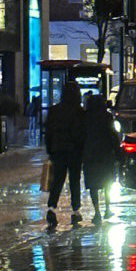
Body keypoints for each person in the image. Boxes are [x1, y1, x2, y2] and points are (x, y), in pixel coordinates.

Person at [45, 80, 85, 227]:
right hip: (74, 151)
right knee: (74, 181)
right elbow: (82, 133)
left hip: (58, 150)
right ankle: (75, 211)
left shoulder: (54, 111)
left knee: (57, 180)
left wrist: (50, 150)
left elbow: (48, 133)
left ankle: (51, 208)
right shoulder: (80, 112)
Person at [81, 94, 120, 224]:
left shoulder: (85, 117)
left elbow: (81, 137)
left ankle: (96, 211)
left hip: (90, 155)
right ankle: (107, 208)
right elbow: (112, 135)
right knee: (107, 183)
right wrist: (118, 152)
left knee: (93, 185)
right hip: (106, 154)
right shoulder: (106, 117)